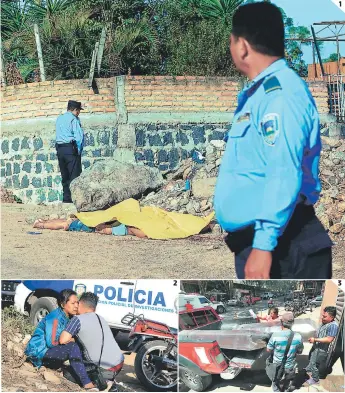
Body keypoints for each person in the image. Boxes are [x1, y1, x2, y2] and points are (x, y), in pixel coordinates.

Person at [213, 1, 332, 279]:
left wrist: (264, 246)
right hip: (270, 241)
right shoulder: (261, 95)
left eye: (232, 41)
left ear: (242, 46)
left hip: (282, 246)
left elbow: (282, 170)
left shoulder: (279, 95)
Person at [25, 289, 97, 391]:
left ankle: (88, 373)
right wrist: (72, 340)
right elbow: (52, 343)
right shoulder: (54, 318)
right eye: (72, 303)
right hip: (39, 353)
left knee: (79, 343)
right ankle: (86, 383)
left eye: (77, 302)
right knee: (73, 346)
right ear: (63, 305)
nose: (76, 305)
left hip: (50, 352)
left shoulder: (69, 317)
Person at [59, 292, 125, 392]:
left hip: (104, 368)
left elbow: (62, 340)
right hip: (119, 363)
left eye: (77, 303)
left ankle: (102, 383)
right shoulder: (101, 318)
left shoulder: (78, 319)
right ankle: (108, 380)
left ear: (80, 304)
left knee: (67, 372)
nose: (76, 306)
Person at [266, 312, 304, 392]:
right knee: (287, 385)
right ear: (292, 323)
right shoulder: (298, 336)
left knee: (276, 385)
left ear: (281, 322)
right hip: (290, 367)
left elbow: (268, 349)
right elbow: (300, 351)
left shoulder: (275, 335)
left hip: (277, 367)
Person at [56, 100, 84, 203]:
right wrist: (79, 151)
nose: (79, 113)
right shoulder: (74, 119)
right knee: (74, 176)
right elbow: (79, 137)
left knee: (65, 176)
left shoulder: (59, 118)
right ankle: (74, 200)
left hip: (60, 149)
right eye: (79, 111)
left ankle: (66, 199)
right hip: (71, 148)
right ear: (75, 110)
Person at [304, 306, 338, 386]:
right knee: (311, 358)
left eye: (325, 316)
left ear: (332, 317)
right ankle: (308, 369)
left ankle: (315, 379)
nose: (322, 317)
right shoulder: (325, 322)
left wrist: (315, 340)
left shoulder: (333, 326)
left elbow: (329, 339)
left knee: (314, 364)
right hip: (316, 347)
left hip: (322, 350)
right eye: (323, 315)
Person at [33, 217, 147, 238]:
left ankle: (42, 224)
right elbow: (144, 235)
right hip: (93, 225)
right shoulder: (127, 227)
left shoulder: (126, 227)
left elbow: (143, 234)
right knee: (66, 223)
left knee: (66, 223)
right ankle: (42, 223)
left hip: (93, 225)